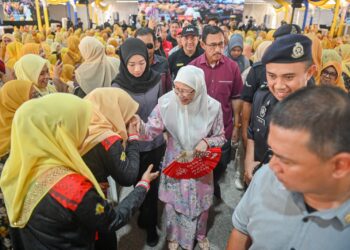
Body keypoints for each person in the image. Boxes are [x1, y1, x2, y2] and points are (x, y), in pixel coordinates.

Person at [0, 93, 158, 249]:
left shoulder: (15, 170)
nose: (88, 132)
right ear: (60, 132)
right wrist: (143, 185)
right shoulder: (74, 189)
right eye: (78, 126)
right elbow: (112, 220)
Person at [226, 86, 350, 250]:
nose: (272, 167)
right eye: (274, 152)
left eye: (288, 161)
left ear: (339, 166)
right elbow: (241, 231)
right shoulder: (265, 176)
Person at [138, 65, 226, 250]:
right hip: (175, 162)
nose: (181, 95)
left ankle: (200, 235)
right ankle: (173, 236)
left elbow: (221, 137)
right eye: (177, 89)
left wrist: (207, 142)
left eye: (187, 91)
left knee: (201, 205)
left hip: (199, 164)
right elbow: (150, 130)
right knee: (172, 204)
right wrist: (138, 127)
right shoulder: (166, 103)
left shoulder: (212, 107)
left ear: (199, 89)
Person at [112, 38, 166, 247]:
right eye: (131, 64)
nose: (137, 69)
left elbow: (162, 107)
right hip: (134, 145)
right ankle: (146, 218)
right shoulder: (117, 85)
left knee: (153, 187)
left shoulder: (155, 79)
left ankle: (150, 224)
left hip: (155, 142)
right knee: (139, 184)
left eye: (141, 63)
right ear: (124, 63)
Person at [244, 34, 316, 184]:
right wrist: (248, 162)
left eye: (288, 77)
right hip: (258, 180)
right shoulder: (261, 97)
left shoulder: (322, 116)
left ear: (309, 73)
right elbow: (253, 132)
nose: (279, 85)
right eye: (272, 76)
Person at [79, 88, 140, 250]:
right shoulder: (106, 137)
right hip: (93, 201)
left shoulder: (79, 124)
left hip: (75, 199)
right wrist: (133, 138)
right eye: (124, 112)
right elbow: (128, 176)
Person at [190, 25, 243, 199]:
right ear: (202, 44)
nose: (218, 49)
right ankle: (204, 190)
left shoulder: (232, 67)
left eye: (221, 44)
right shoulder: (193, 68)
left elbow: (236, 97)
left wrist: (236, 126)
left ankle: (213, 185)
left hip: (223, 130)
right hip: (199, 132)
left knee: (220, 164)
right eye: (212, 45)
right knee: (199, 166)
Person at [0, 80, 36, 250]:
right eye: (30, 97)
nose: (33, 102)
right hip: (8, 198)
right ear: (17, 101)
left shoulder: (25, 124)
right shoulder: (17, 129)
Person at [135, 27, 172, 93]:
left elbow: (169, 89)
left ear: (156, 44)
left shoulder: (163, 63)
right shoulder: (131, 66)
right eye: (140, 46)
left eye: (149, 46)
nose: (145, 50)